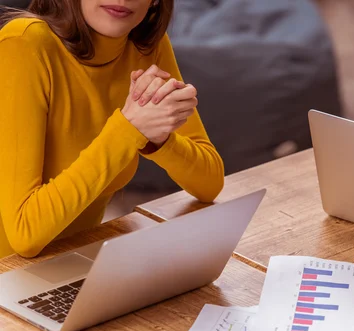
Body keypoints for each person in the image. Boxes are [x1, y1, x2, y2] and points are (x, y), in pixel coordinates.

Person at [0, 0, 225, 258]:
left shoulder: (146, 46)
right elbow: (24, 234)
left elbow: (210, 184)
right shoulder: (24, 43)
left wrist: (159, 139)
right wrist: (129, 128)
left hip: (74, 259)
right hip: (7, 274)